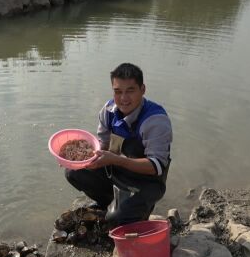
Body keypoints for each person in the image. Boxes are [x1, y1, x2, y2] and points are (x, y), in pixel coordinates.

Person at [65, 63, 173, 226]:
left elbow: (156, 166)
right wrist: (82, 159)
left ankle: (138, 210)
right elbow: (104, 145)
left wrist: (115, 160)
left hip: (146, 182)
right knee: (73, 172)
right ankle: (109, 202)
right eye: (118, 91)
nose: (123, 98)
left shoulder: (156, 120)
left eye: (130, 91)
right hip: (116, 171)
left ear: (142, 90)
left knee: (116, 220)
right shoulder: (108, 111)